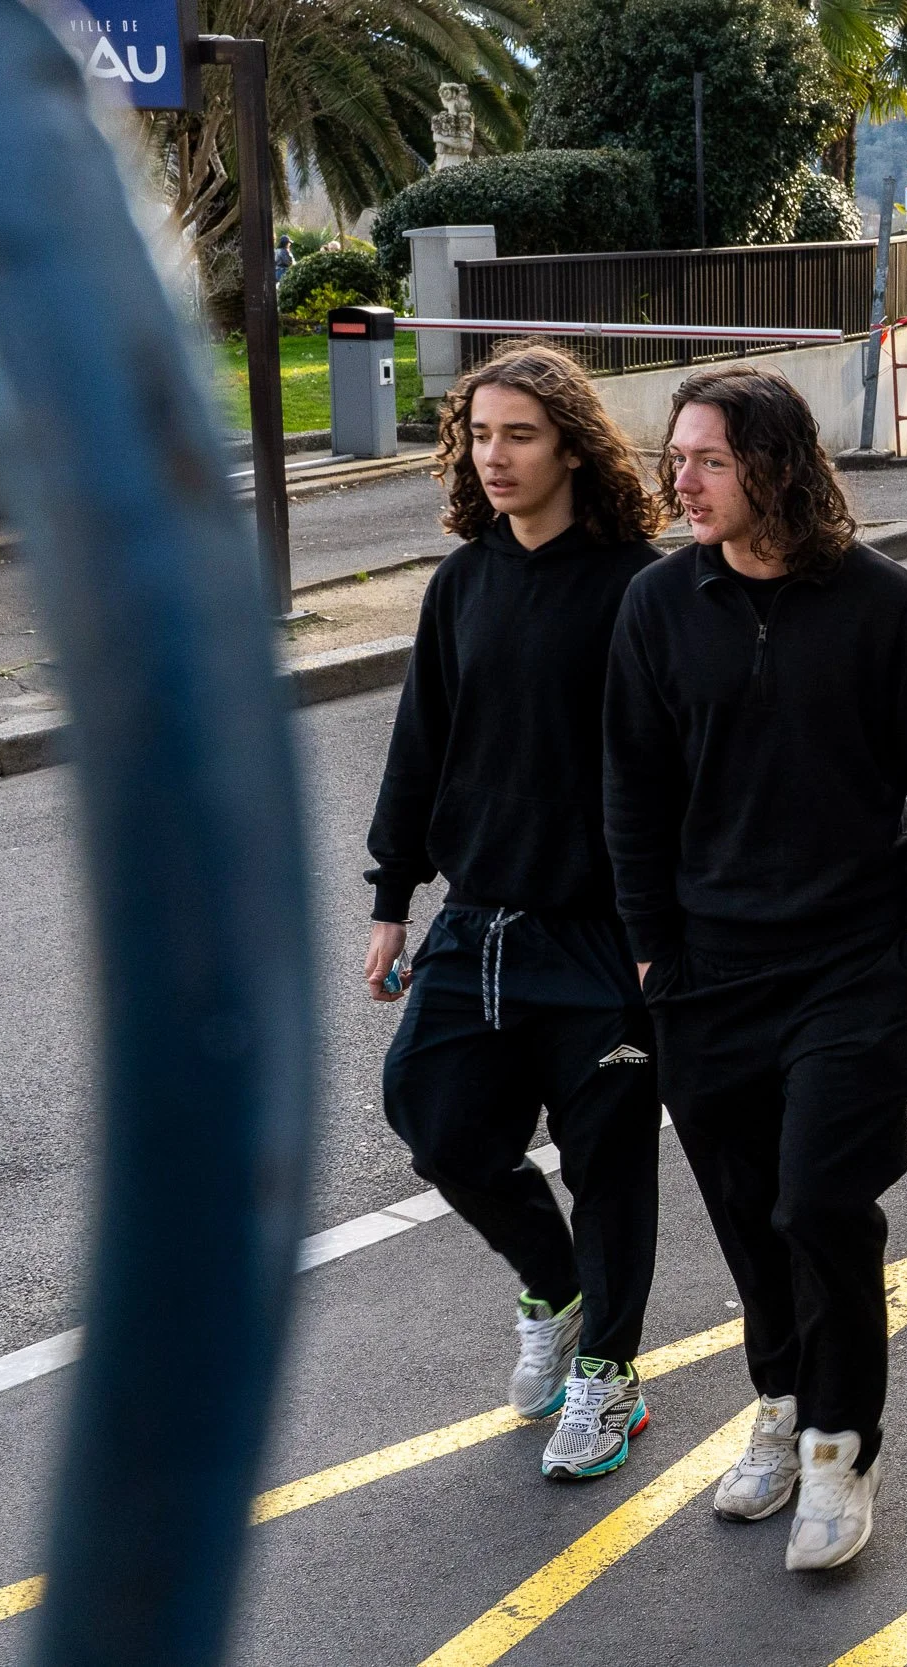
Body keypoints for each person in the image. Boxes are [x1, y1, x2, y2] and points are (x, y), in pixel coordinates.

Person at [604, 366, 907, 1571]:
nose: (683, 479)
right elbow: (632, 795)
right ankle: (779, 1400)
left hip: (852, 966)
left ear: (772, 466)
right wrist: (654, 950)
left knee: (821, 1198)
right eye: (678, 457)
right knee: (744, 1209)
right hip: (708, 970)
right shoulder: (660, 607)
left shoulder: (885, 606)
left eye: (707, 459)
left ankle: (837, 1446)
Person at [363, 342, 669, 1478]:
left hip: (601, 938)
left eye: (519, 435)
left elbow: (676, 767)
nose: (494, 456)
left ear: (572, 446)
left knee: (610, 1163)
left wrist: (662, 937)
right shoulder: (463, 581)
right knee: (434, 1120)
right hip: (480, 925)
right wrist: (393, 897)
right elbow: (419, 748)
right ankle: (557, 1286)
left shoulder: (639, 586)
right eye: (479, 435)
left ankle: (612, 1379)